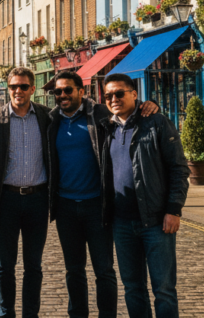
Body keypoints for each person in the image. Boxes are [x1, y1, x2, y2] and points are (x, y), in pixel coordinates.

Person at [48, 71, 161, 318]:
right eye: (58, 92)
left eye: (68, 90)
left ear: (81, 91)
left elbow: (127, 108)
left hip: (97, 205)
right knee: (74, 270)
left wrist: (150, 104)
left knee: (104, 270)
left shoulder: (101, 113)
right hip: (66, 206)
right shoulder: (51, 119)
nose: (63, 95)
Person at [101, 73, 190, 318]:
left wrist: (174, 209)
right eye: (109, 95)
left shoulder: (156, 122)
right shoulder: (107, 127)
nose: (114, 99)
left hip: (155, 221)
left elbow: (178, 168)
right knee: (133, 288)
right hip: (121, 223)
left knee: (163, 289)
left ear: (134, 94)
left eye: (120, 93)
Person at [0, 66, 51, 318]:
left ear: (32, 89)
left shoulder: (47, 117)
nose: (18, 91)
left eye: (23, 86)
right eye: (13, 86)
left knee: (33, 265)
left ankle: (30, 314)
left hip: (37, 199)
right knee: (5, 266)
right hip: (7, 201)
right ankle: (7, 313)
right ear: (7, 88)